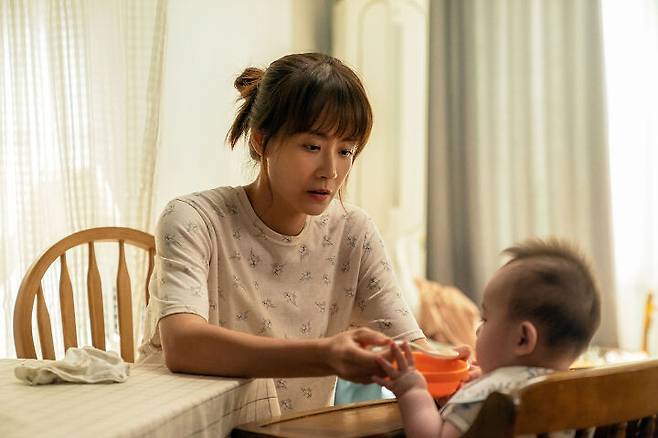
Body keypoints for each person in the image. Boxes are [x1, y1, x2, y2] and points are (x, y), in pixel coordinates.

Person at [137, 52, 439, 413]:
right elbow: (184, 345)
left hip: (288, 431)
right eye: (312, 146)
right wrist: (324, 356)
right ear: (261, 141)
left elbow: (409, 349)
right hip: (181, 424)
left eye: (345, 151)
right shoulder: (194, 219)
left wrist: (469, 373)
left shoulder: (353, 232)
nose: (330, 170)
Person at [373, 238, 601, 437]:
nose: (477, 331)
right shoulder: (576, 395)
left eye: (485, 319)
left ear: (523, 339)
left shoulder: (490, 395)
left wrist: (413, 391)